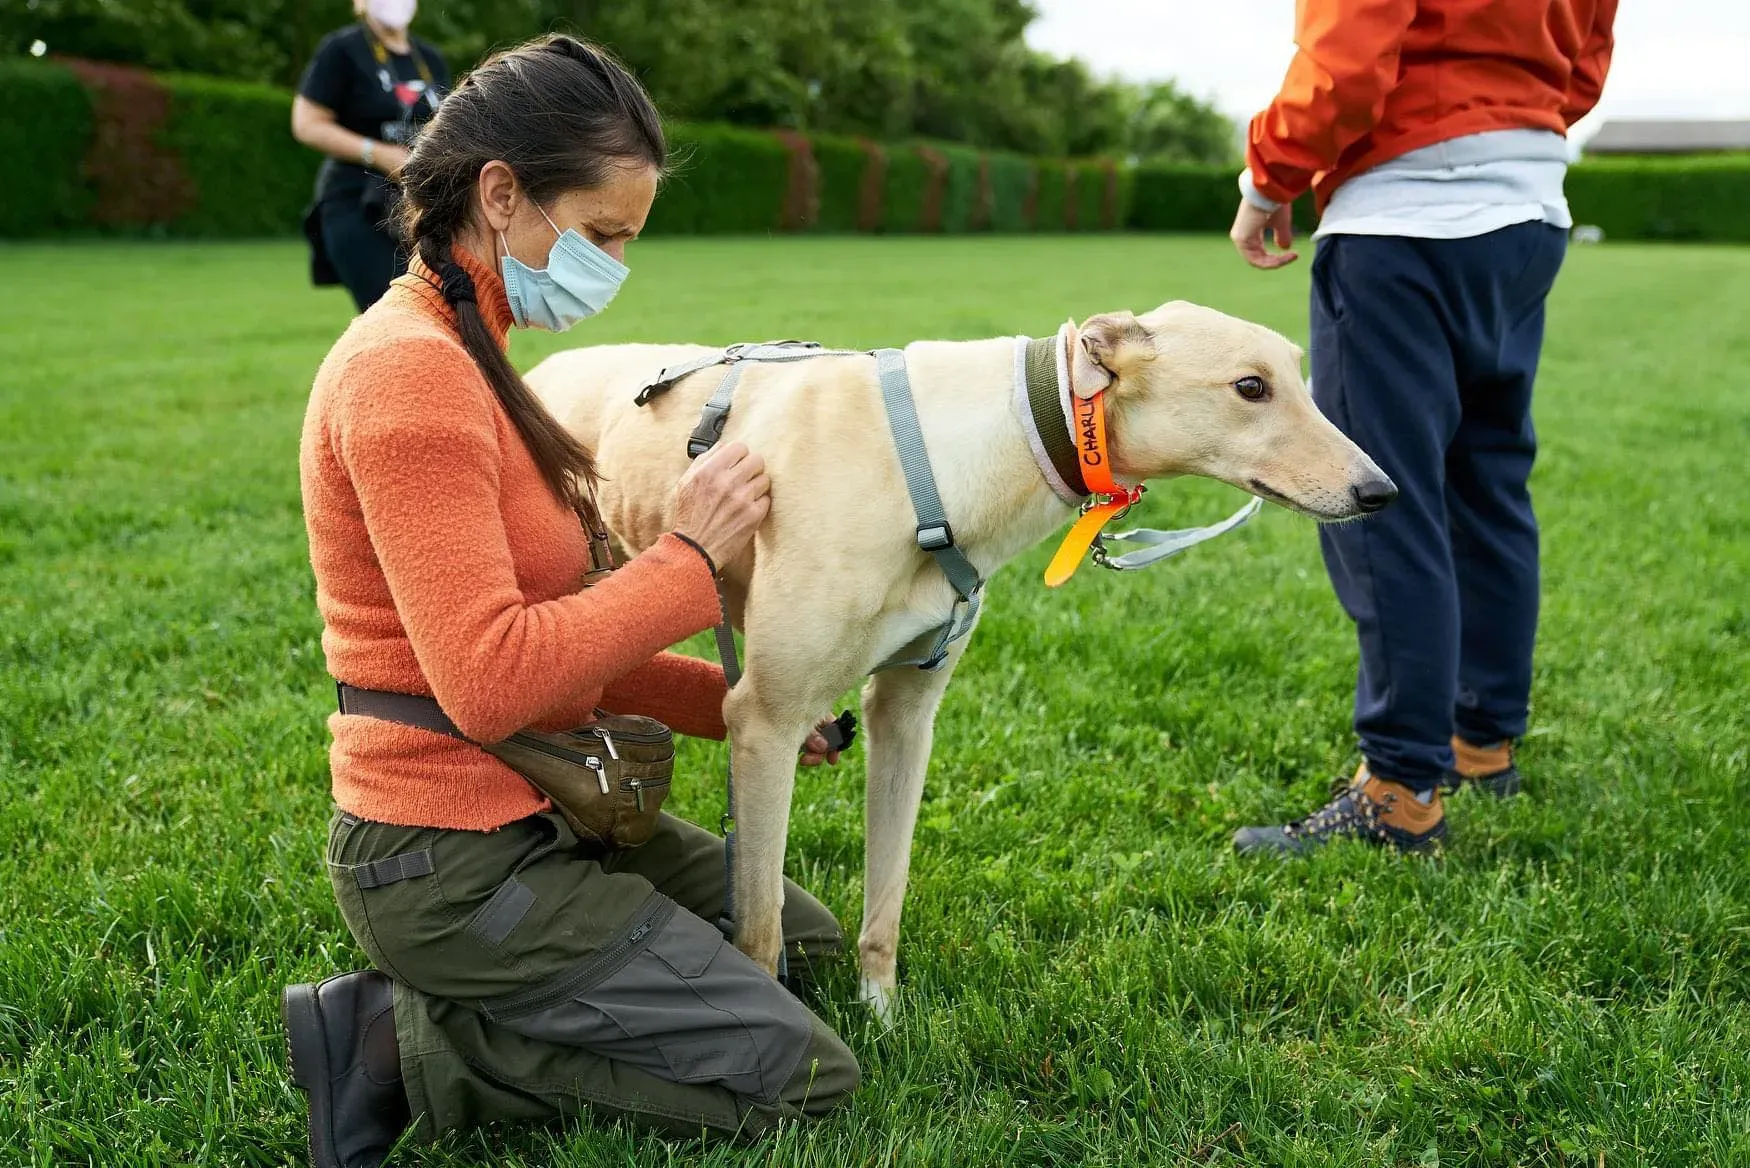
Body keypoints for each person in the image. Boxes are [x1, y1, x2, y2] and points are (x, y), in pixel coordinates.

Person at [283, 35, 858, 1168]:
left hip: (548, 805)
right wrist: (689, 559)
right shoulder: (408, 374)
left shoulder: (477, 350)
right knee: (803, 1079)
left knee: (805, 946)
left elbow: (564, 640)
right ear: (501, 195)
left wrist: (745, 699)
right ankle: (400, 1040)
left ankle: (517, 989)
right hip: (445, 859)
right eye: (599, 236)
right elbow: (495, 677)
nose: (610, 269)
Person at [1227, 0, 1617, 855]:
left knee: (1377, 501)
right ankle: (1481, 743)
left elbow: (1348, 54)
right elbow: (1585, 62)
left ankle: (1401, 789)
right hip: (1527, 217)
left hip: (1405, 219)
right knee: (1489, 488)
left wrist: (1269, 177)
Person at [292, 0, 451, 312]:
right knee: (397, 311)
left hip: (417, 206)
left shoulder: (430, 59)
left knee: (443, 309)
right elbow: (306, 123)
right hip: (358, 204)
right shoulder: (342, 50)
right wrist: (377, 154)